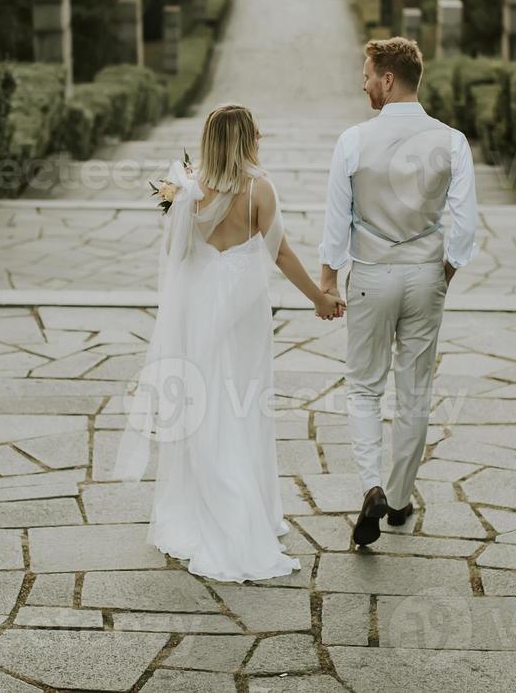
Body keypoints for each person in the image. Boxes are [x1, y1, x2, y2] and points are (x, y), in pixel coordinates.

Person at [115, 103, 344, 581]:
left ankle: (200, 505)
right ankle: (243, 511)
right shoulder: (259, 188)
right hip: (242, 308)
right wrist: (319, 299)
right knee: (241, 401)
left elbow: (173, 254)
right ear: (248, 139)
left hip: (198, 305)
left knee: (204, 400)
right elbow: (279, 251)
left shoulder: (185, 189)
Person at [318, 37, 479, 547]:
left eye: (367, 75)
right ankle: (399, 496)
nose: (363, 83)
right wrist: (444, 271)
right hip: (425, 274)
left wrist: (327, 278)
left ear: (389, 80)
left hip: (370, 274)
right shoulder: (452, 141)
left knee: (364, 387)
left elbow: (335, 219)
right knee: (414, 392)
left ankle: (371, 485)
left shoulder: (353, 140)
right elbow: (465, 225)